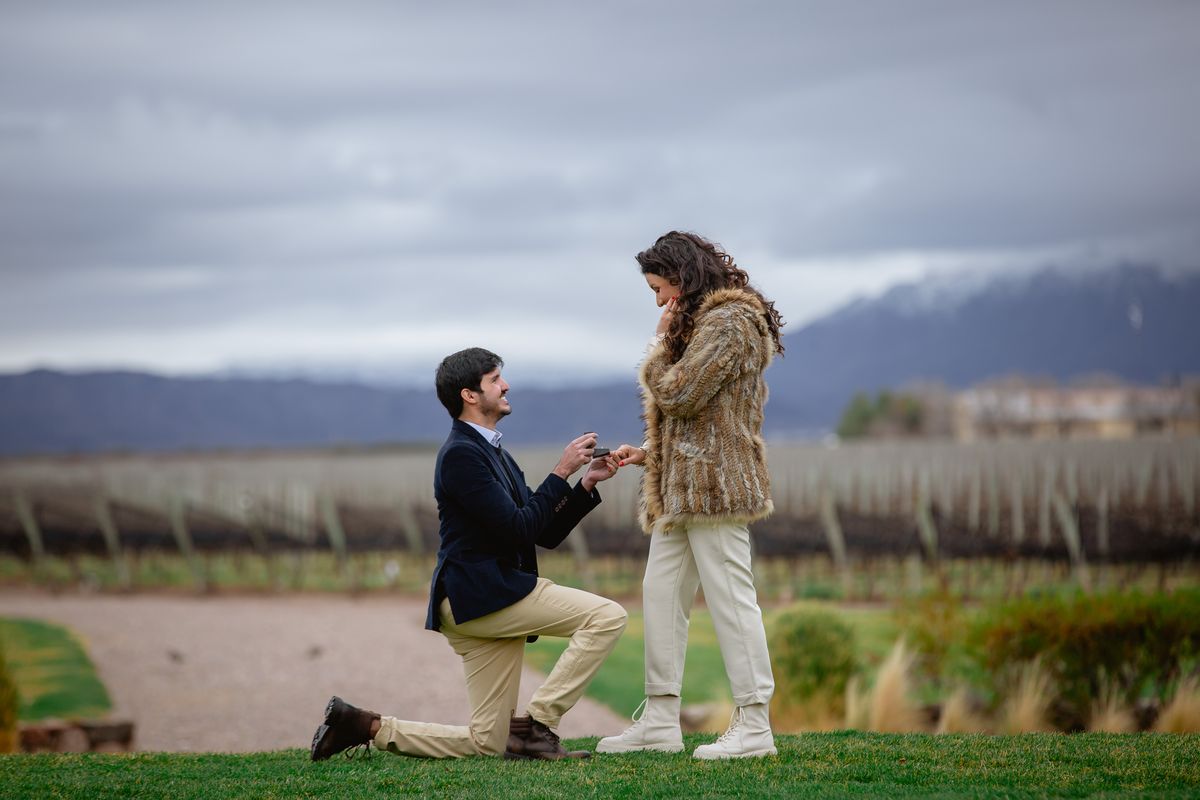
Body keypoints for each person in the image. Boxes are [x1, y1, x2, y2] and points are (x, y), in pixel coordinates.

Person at [311, 347, 627, 762]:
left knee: (487, 743)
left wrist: (584, 485)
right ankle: (538, 724)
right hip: (482, 595)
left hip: (480, 602)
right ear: (470, 395)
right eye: (496, 379)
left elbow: (541, 531)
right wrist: (561, 470)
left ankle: (364, 725)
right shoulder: (461, 456)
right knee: (606, 617)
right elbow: (518, 528)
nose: (506, 385)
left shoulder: (494, 452)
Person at [597, 231, 785, 760]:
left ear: (683, 277)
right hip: (681, 490)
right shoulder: (709, 323)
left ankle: (754, 726)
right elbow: (696, 417)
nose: (658, 301)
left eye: (660, 288)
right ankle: (660, 721)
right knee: (660, 597)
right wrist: (651, 455)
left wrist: (658, 349)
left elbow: (680, 394)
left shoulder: (731, 322)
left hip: (717, 486)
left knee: (731, 601)